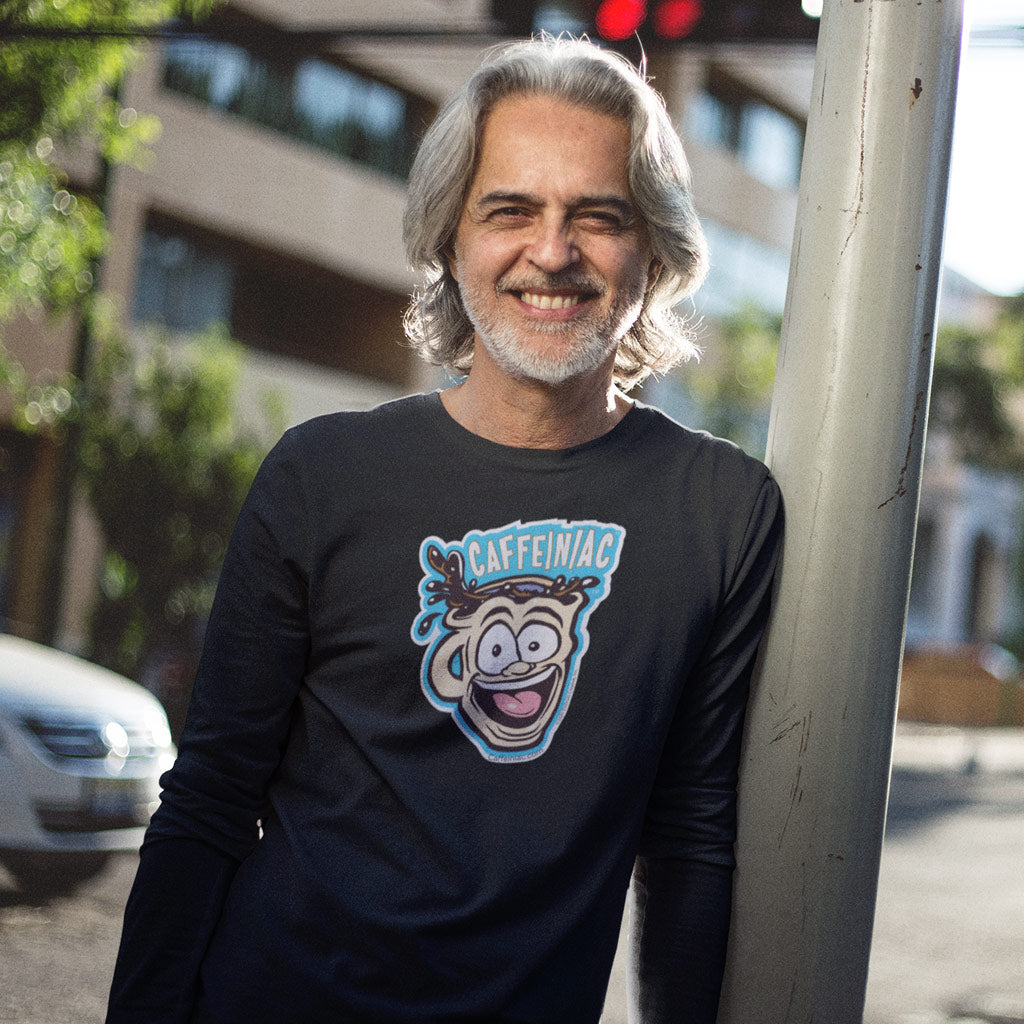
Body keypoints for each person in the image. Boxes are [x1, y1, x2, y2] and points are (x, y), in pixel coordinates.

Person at [107, 35, 783, 1024]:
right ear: (449, 237)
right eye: (510, 209)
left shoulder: (722, 510)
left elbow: (687, 837)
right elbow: (209, 799)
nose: (551, 252)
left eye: (597, 215)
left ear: (658, 248)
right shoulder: (321, 474)